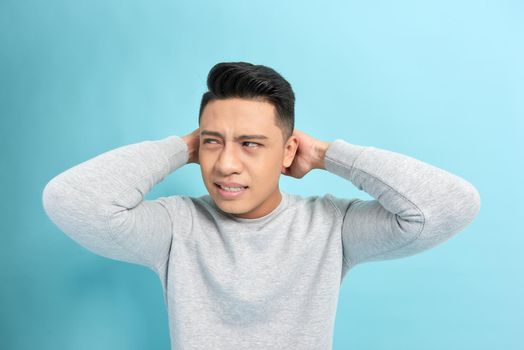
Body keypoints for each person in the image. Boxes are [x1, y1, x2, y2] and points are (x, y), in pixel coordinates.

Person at [42, 61, 481, 350]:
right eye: (213, 142)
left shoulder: (331, 227)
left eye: (251, 144)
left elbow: (445, 206)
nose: (226, 164)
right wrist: (181, 147)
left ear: (288, 151)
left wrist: (329, 155)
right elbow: (73, 200)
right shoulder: (176, 227)